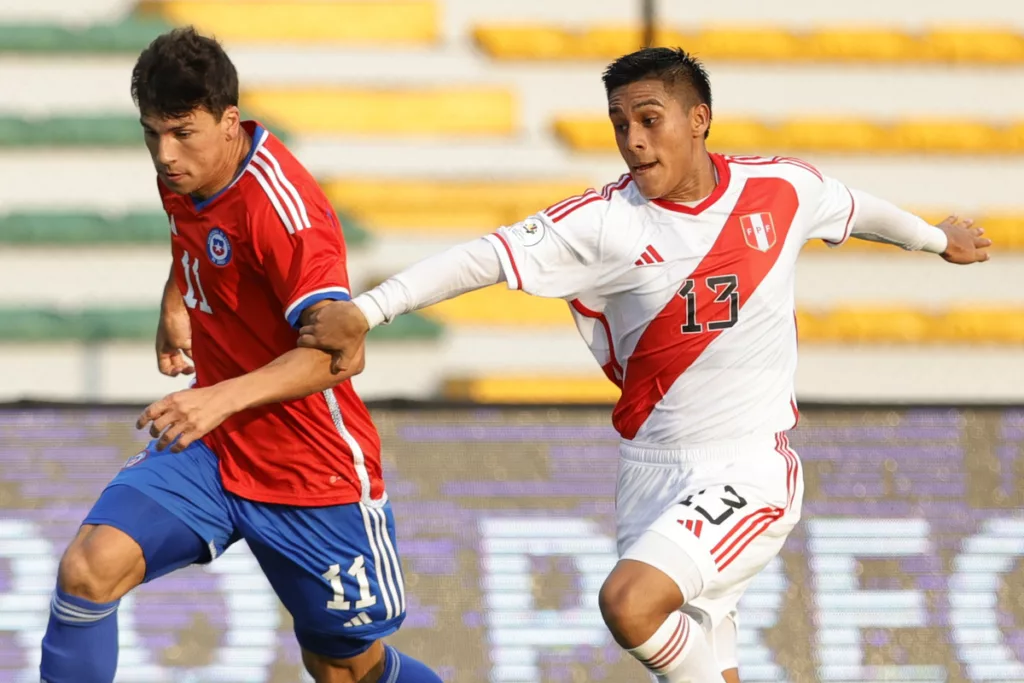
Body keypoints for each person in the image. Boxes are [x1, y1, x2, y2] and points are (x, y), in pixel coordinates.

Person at [295, 47, 991, 682]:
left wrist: (936, 239)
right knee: (700, 663)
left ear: (699, 120)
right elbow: (486, 255)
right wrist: (373, 309)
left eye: (649, 119)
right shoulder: (606, 221)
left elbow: (857, 208)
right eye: (619, 122)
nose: (632, 140)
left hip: (747, 467)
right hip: (649, 470)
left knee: (628, 604)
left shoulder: (780, 190)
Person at [39, 27, 443, 683]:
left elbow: (340, 356)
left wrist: (215, 397)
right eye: (151, 134)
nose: (165, 155)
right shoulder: (187, 172)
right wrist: (177, 298)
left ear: (230, 122)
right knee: (88, 568)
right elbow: (198, 231)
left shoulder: (284, 210)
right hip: (214, 449)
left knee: (343, 667)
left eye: (181, 133)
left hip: (310, 472)